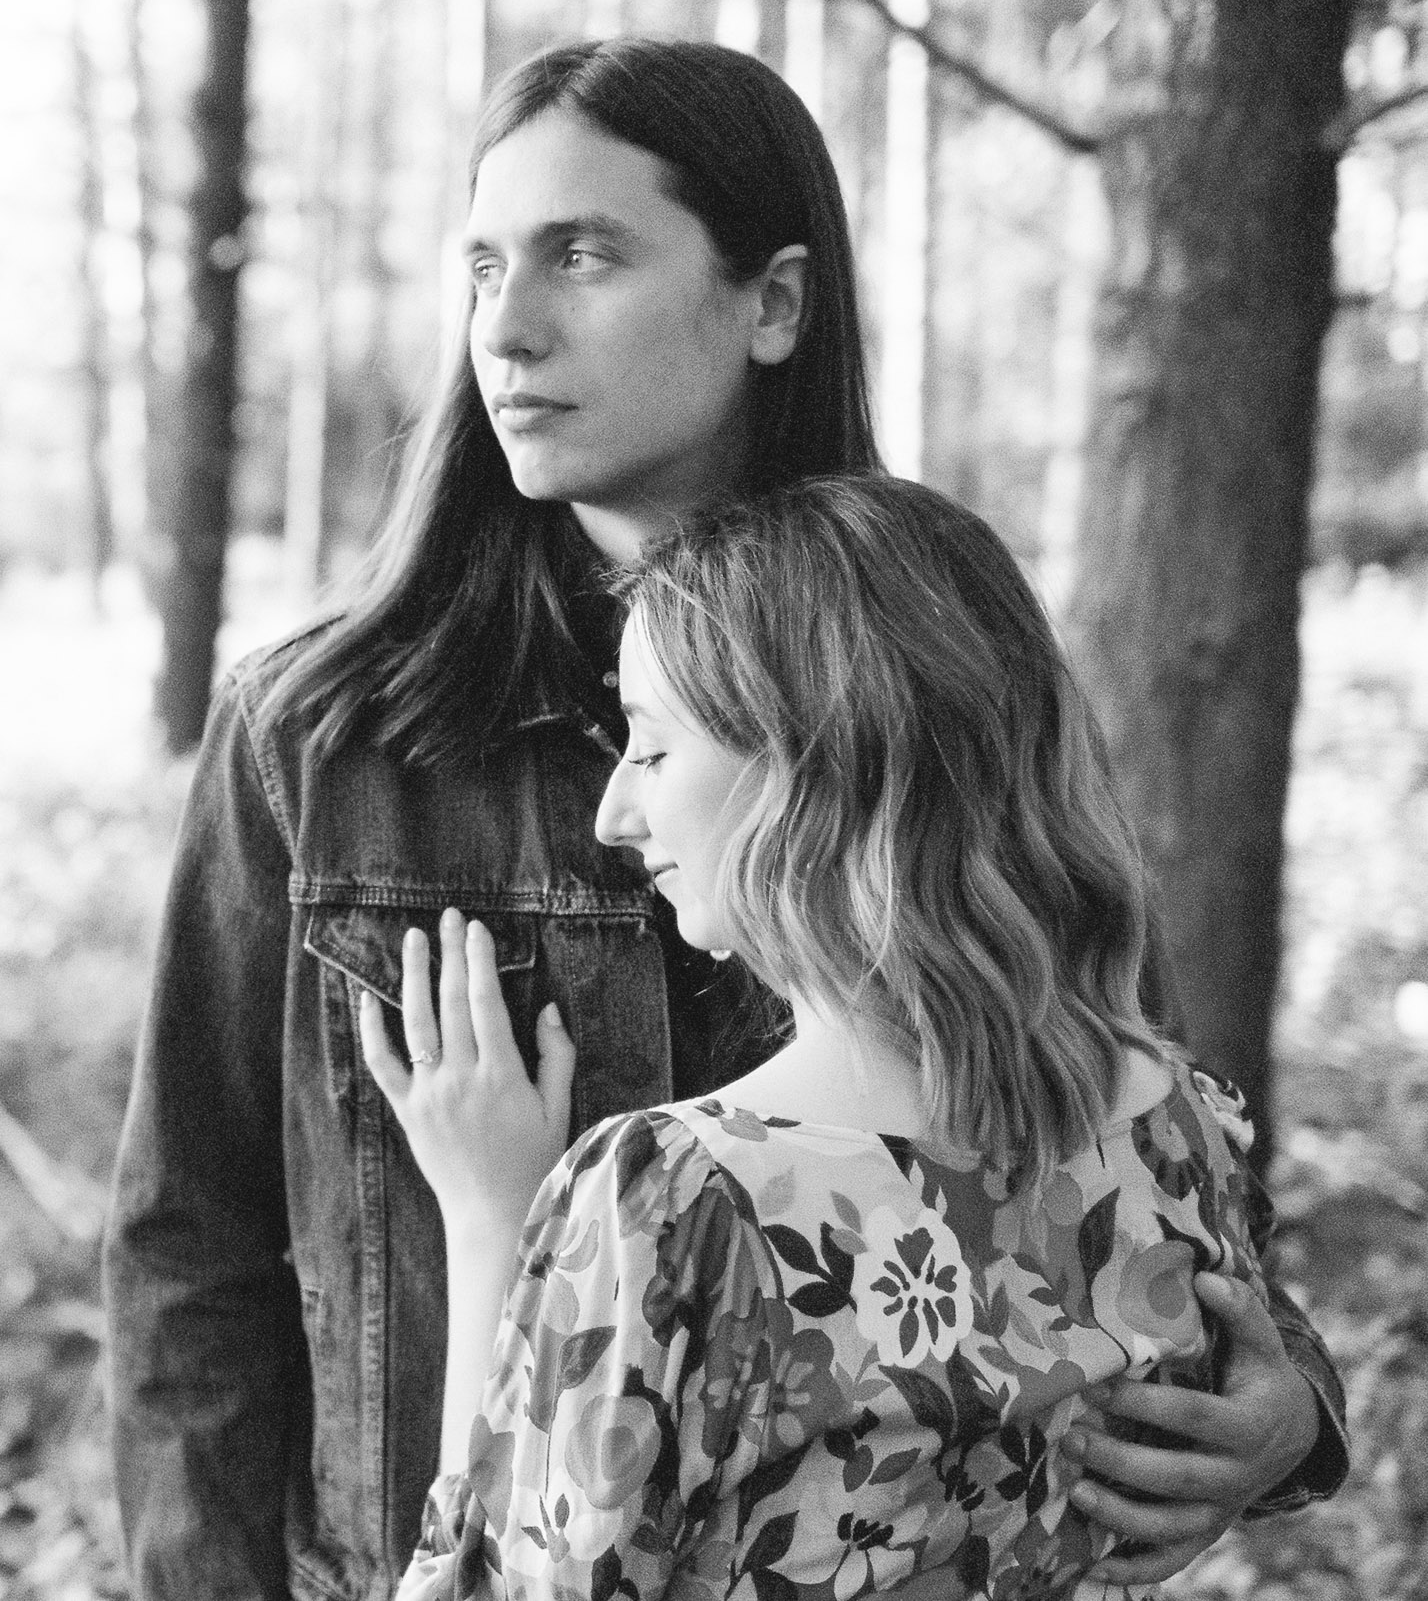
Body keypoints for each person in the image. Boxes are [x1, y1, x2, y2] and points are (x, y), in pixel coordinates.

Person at [102, 37, 1345, 1601]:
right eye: (483, 265)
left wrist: (1284, 1410)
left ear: (774, 303)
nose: (509, 325)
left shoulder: (941, 682)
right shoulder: (322, 735)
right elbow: (187, 1261)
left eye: (585, 254)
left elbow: (1116, 1116)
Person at [368, 474, 1298, 1598]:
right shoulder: (1183, 1129)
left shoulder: (678, 1204)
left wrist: (487, 1216)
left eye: (653, 750)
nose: (615, 812)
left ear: (815, 768)